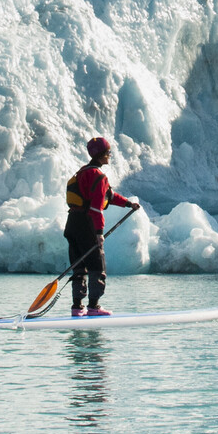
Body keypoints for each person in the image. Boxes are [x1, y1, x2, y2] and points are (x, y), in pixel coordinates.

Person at [65, 136, 139, 317]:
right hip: (86, 225)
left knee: (79, 266)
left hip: (72, 224)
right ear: (101, 155)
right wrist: (98, 233)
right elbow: (96, 209)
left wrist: (129, 204)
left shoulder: (83, 172)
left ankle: (77, 307)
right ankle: (94, 306)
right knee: (97, 265)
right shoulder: (98, 176)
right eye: (108, 153)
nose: (110, 155)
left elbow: (110, 196)